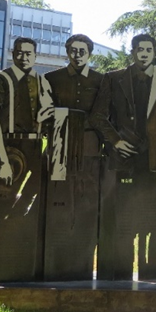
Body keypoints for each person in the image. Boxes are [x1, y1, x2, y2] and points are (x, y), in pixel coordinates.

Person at [90, 33, 156, 280]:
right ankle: (120, 274)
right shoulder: (113, 78)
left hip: (155, 161)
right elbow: (98, 116)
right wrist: (116, 141)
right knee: (123, 219)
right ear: (132, 52)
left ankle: (153, 274)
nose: (144, 54)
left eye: (149, 50)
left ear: (155, 53)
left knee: (154, 220)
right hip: (123, 160)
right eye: (140, 49)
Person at [0, 36, 53, 283]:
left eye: (29, 53)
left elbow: (47, 111)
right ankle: (0, 267)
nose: (24, 57)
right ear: (13, 54)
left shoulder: (40, 81)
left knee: (38, 192)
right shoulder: (0, 79)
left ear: (35, 56)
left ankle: (23, 252)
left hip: (35, 146)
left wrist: (45, 115)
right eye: (20, 53)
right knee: (3, 201)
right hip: (10, 146)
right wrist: (2, 158)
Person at [42, 33, 104, 281]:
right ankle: (55, 261)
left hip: (90, 150)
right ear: (67, 51)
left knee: (87, 204)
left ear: (89, 53)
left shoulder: (101, 80)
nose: (77, 55)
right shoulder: (51, 78)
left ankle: (83, 262)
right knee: (58, 202)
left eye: (82, 51)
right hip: (60, 149)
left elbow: (103, 115)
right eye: (73, 50)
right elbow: (45, 113)